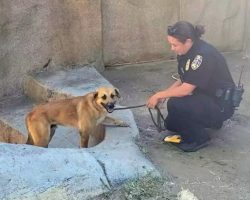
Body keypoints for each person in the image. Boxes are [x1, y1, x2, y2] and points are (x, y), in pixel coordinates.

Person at [146, 21, 235, 152]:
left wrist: (159, 95)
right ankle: (208, 122)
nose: (172, 48)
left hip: (220, 105)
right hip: (206, 97)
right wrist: (165, 94)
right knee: (172, 123)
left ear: (188, 41)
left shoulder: (203, 56)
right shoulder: (187, 52)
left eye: (174, 45)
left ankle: (199, 138)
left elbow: (186, 90)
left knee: (177, 104)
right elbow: (184, 79)